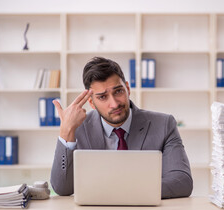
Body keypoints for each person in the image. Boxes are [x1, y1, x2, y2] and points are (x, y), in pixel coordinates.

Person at [50, 57, 193, 199]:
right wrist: (66, 131)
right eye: (102, 97)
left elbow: (182, 181)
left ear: (128, 89)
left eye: (118, 91)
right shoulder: (78, 128)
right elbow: (62, 188)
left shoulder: (164, 124)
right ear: (91, 103)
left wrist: (123, 191)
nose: (114, 104)